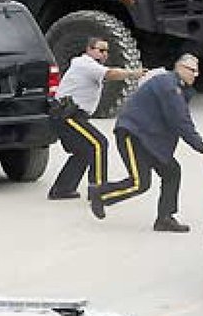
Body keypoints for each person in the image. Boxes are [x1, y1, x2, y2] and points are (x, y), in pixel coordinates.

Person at [90, 54, 203, 232]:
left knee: (172, 172)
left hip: (148, 138)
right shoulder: (170, 87)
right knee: (139, 183)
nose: (196, 74)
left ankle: (165, 218)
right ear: (180, 69)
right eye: (192, 70)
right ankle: (100, 193)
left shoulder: (176, 86)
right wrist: (202, 148)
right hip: (132, 134)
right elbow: (180, 121)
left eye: (197, 70)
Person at [47, 37, 145, 200]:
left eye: (106, 51)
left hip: (73, 115)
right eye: (100, 50)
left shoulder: (90, 66)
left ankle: (62, 189)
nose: (104, 54)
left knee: (84, 151)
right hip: (67, 114)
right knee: (99, 143)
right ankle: (98, 190)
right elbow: (111, 74)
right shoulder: (84, 63)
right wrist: (133, 73)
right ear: (89, 50)